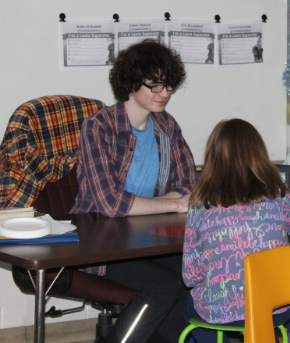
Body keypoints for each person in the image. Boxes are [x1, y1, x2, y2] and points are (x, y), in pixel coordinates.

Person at [70, 39, 198, 343]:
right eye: (154, 85)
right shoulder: (99, 127)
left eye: (168, 86)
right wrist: (174, 204)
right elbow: (111, 204)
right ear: (130, 82)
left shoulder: (167, 126)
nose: (164, 93)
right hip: (102, 244)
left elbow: (188, 186)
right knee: (162, 285)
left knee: (191, 274)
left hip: (148, 237)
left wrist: (165, 202)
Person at [182, 118, 290, 343]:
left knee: (187, 307)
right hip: (275, 309)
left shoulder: (200, 204)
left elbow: (190, 276)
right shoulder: (282, 198)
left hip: (219, 310)